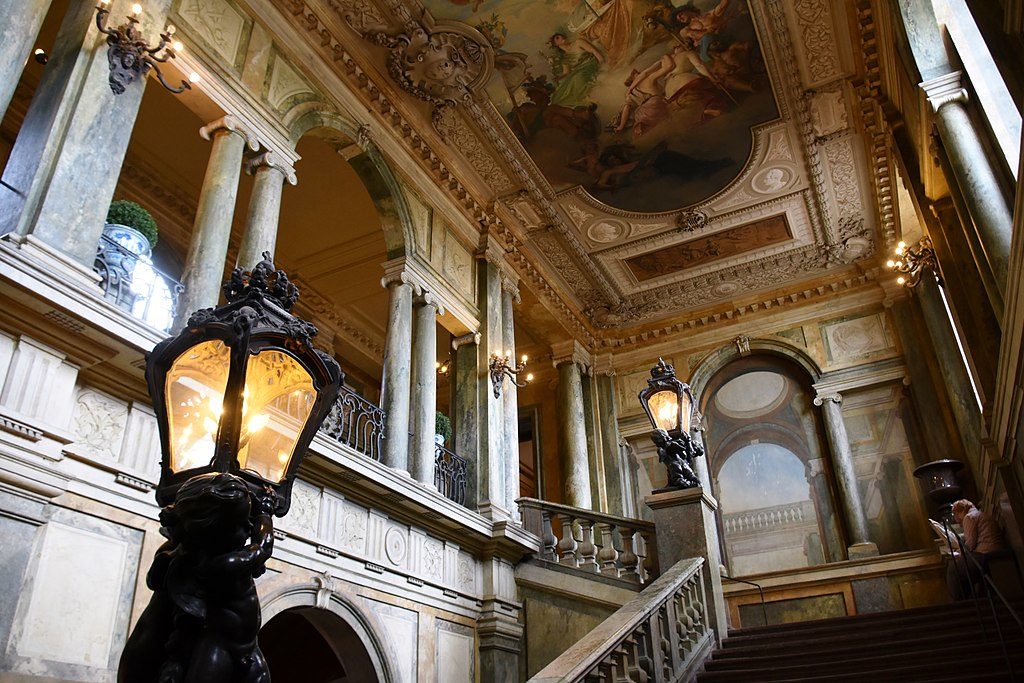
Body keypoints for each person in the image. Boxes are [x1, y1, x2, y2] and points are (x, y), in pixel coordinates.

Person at [945, 498, 1006, 600]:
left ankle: (961, 604)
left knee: (953, 569)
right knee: (962, 569)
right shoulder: (978, 514)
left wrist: (959, 554)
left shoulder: (969, 517)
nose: (956, 519)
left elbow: (970, 544)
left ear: (961, 511)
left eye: (955, 515)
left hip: (985, 553)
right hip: (994, 550)